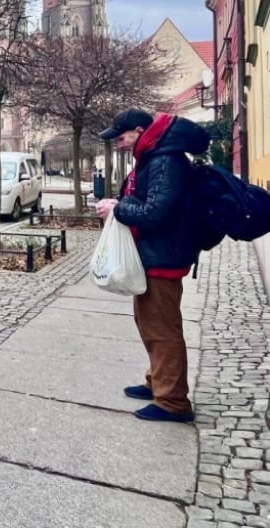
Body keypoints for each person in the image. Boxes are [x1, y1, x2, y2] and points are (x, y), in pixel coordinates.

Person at [94, 108, 209, 423]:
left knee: (162, 329)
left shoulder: (164, 161)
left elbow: (156, 213)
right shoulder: (155, 155)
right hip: (153, 254)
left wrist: (119, 208)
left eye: (121, 137)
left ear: (140, 130)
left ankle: (172, 401)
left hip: (163, 256)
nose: (119, 144)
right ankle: (157, 381)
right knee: (149, 323)